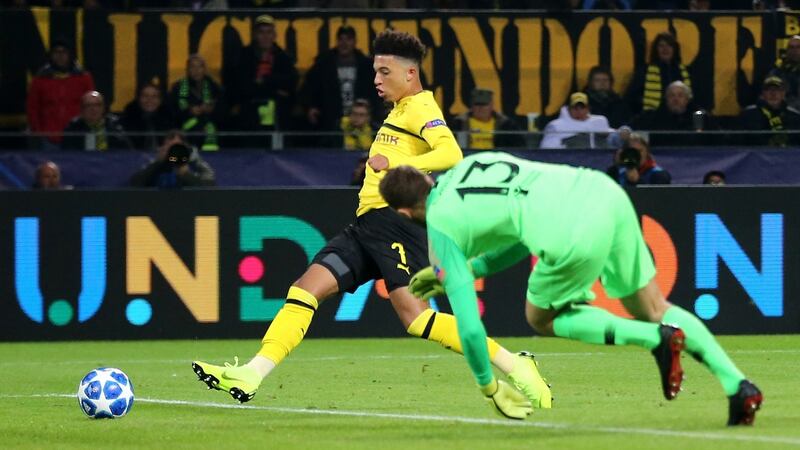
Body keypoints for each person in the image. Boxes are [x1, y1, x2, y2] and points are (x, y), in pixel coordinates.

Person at [192, 30, 551, 413]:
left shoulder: (421, 108)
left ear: (410, 74)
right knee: (304, 289)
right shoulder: (398, 112)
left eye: (384, 72)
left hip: (397, 225)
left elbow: (451, 152)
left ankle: (515, 364)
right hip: (366, 226)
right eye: (375, 72)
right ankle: (253, 372)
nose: (377, 81)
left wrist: (397, 164)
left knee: (416, 320)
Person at [379, 152, 763, 425]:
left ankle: (656, 339)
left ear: (401, 213)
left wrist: (489, 386)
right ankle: (739, 386)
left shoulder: (440, 229)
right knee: (655, 305)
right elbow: (519, 237)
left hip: (571, 230)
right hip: (601, 192)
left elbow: (470, 327)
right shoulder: (471, 164)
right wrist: (469, 267)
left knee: (542, 316)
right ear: (428, 178)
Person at [301, 25, 382, 143]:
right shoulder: (324, 63)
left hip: (362, 121)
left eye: (348, 39)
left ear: (355, 42)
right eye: (341, 39)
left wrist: (373, 111)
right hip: (331, 119)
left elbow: (377, 90)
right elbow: (309, 87)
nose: (344, 43)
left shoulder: (367, 65)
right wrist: (311, 106)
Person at [226, 14, 298, 148]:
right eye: (261, 32)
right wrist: (276, 89)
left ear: (274, 35)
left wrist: (264, 80)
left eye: (269, 32)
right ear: (255, 34)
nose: (265, 36)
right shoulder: (243, 56)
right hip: (249, 117)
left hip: (278, 117)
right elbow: (241, 85)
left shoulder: (283, 57)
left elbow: (291, 82)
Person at [26, 38, 95, 147]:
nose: (60, 56)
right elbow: (33, 108)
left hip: (77, 136)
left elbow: (91, 106)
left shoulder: (83, 78)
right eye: (56, 52)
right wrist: (37, 132)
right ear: (51, 55)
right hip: (48, 138)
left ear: (70, 54)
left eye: (64, 52)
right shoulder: (39, 80)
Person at [630, 81, 717, 146]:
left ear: (687, 99)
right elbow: (631, 129)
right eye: (671, 95)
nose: (676, 99)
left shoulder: (699, 117)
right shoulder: (654, 117)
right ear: (666, 99)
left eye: (680, 95)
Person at [626, 32, 693, 113]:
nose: (665, 49)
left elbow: (690, 96)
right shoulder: (645, 71)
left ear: (674, 49)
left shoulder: (684, 71)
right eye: (661, 46)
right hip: (653, 117)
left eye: (669, 45)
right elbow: (632, 96)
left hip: (680, 116)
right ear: (656, 49)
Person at [170, 55, 224, 151]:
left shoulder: (214, 87)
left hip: (211, 130)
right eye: (193, 67)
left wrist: (212, 109)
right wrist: (189, 111)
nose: (196, 70)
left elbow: (224, 110)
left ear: (204, 69)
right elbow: (172, 112)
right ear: (187, 69)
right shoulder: (177, 88)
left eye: (200, 67)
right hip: (186, 133)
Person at [129, 130, 216, 188]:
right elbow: (134, 184)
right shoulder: (154, 161)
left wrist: (186, 174)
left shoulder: (195, 163)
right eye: (170, 147)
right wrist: (157, 163)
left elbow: (210, 188)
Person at [451, 88, 525, 150]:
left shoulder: (506, 124)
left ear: (492, 105)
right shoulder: (458, 124)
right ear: (471, 106)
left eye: (484, 104)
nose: (480, 108)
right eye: (477, 104)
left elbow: (519, 147)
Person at [738, 76, 800, 146]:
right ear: (763, 93)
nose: (773, 94)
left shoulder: (795, 116)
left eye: (777, 90)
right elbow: (738, 142)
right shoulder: (748, 115)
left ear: (783, 93)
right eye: (768, 90)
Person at [61, 91, 133, 151]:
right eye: (88, 105)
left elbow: (127, 152)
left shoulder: (115, 126)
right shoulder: (73, 129)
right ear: (82, 109)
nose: (93, 109)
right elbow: (68, 155)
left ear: (103, 108)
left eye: (97, 105)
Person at [539, 92, 611, 149]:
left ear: (588, 108)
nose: (579, 111)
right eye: (575, 108)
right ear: (568, 109)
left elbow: (611, 135)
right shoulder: (556, 126)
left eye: (582, 107)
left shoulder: (599, 121)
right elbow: (547, 148)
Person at [120, 81, 174, 150]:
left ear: (160, 100)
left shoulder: (170, 118)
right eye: (145, 96)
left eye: (154, 96)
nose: (149, 100)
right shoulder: (127, 119)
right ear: (138, 99)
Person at [606, 132, 671, 186]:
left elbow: (659, 199)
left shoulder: (659, 174)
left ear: (647, 152)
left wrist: (637, 181)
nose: (637, 155)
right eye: (632, 151)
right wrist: (616, 165)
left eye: (640, 151)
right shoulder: (618, 172)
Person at [767, 35, 800, 110]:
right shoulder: (776, 73)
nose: (795, 51)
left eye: (798, 47)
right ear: (787, 50)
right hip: (784, 114)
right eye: (791, 47)